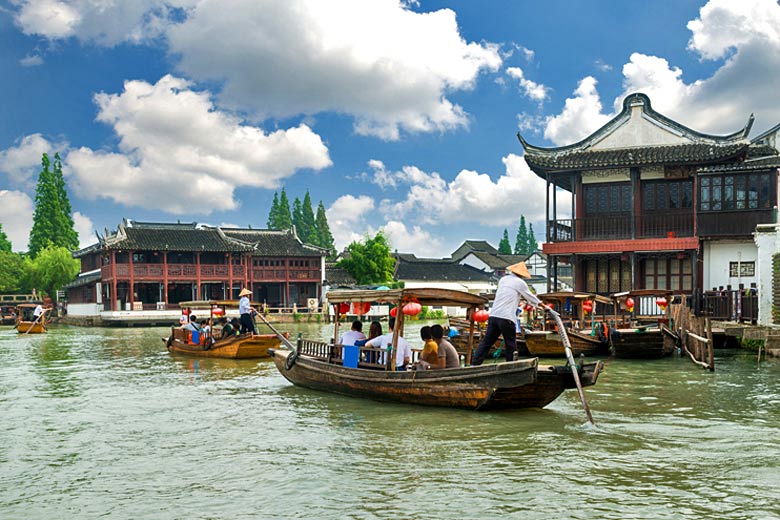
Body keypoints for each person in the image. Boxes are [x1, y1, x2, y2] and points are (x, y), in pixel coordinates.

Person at [471, 262, 544, 365]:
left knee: (487, 342)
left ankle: (475, 364)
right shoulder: (520, 282)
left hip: (494, 316)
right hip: (506, 317)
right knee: (511, 343)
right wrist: (543, 306)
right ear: (522, 274)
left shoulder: (503, 279)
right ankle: (511, 365)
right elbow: (530, 297)